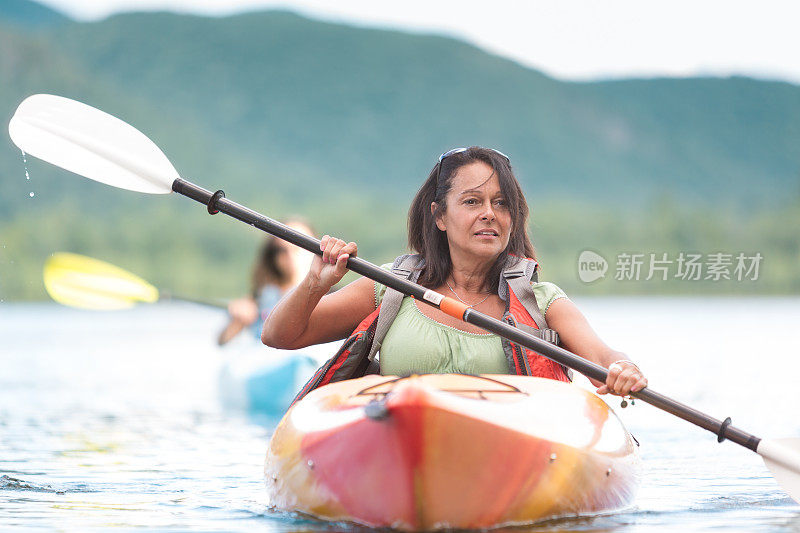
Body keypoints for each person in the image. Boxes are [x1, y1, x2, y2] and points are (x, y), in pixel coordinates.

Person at [262, 147, 647, 397]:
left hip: (507, 458)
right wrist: (314, 285)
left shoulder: (542, 300)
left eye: (501, 203)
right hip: (405, 446)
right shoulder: (392, 288)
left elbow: (602, 360)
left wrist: (623, 369)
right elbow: (279, 336)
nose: (489, 214)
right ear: (440, 215)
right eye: (472, 201)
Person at [217, 219, 315, 346]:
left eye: (298, 246)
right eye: (282, 250)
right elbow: (222, 341)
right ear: (273, 256)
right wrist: (238, 320)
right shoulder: (261, 297)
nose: (290, 256)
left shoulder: (330, 295)